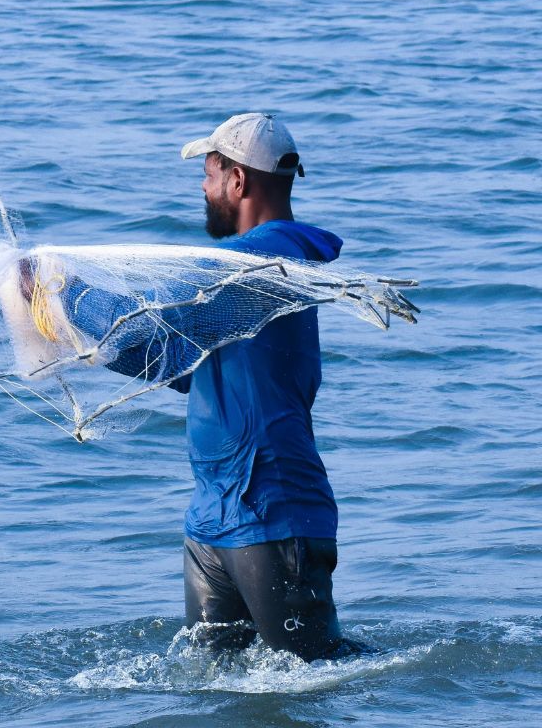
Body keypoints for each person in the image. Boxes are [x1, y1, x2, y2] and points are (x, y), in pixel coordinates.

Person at [24, 113, 362, 661]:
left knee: (313, 681)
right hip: (213, 517)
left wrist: (63, 290)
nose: (202, 190)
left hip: (273, 511)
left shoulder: (264, 262)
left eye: (208, 175)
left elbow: (153, 321)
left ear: (239, 181)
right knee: (215, 685)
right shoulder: (244, 268)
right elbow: (178, 364)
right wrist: (70, 329)